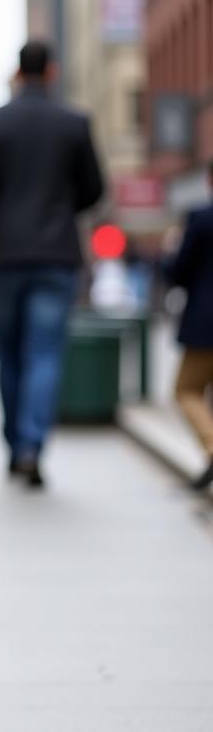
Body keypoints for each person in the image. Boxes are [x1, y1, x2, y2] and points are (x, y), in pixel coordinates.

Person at [0, 41, 104, 489]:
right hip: (57, 254)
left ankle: (14, 442)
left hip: (7, 255)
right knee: (45, 352)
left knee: (11, 352)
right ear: (54, 71)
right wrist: (63, 211)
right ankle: (32, 444)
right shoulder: (74, 123)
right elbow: (95, 188)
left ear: (18, 73)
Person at [166, 160, 213, 493]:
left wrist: (171, 249)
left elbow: (178, 271)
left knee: (186, 390)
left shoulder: (201, 217)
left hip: (206, 322)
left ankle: (212, 447)